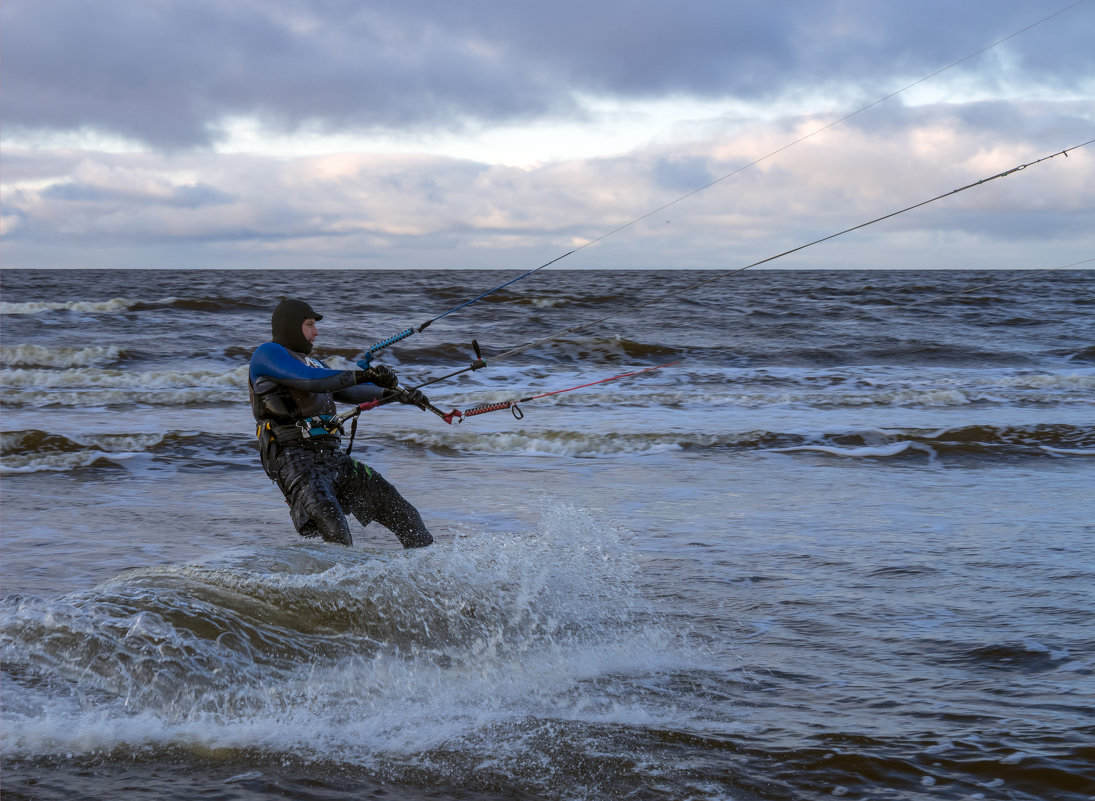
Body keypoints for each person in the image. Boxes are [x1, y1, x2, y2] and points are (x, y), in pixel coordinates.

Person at [248, 298, 434, 548]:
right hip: (297, 462)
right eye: (310, 324)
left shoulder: (315, 364)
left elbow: (350, 390)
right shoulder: (267, 354)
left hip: (334, 459)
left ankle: (429, 581)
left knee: (407, 517)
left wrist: (400, 394)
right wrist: (365, 374)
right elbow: (309, 380)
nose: (316, 332)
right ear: (291, 326)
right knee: (338, 536)